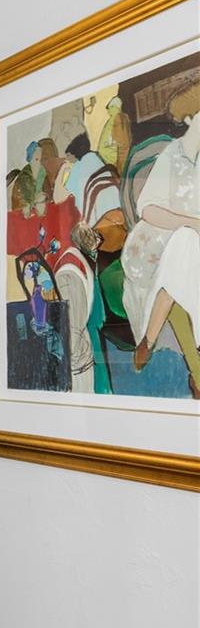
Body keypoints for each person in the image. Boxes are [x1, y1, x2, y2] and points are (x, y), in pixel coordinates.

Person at [123, 81, 200, 398]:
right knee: (184, 243)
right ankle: (197, 372)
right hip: (155, 244)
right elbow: (149, 210)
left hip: (193, 246)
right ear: (190, 118)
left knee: (188, 249)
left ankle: (149, 339)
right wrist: (192, 222)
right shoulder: (172, 155)